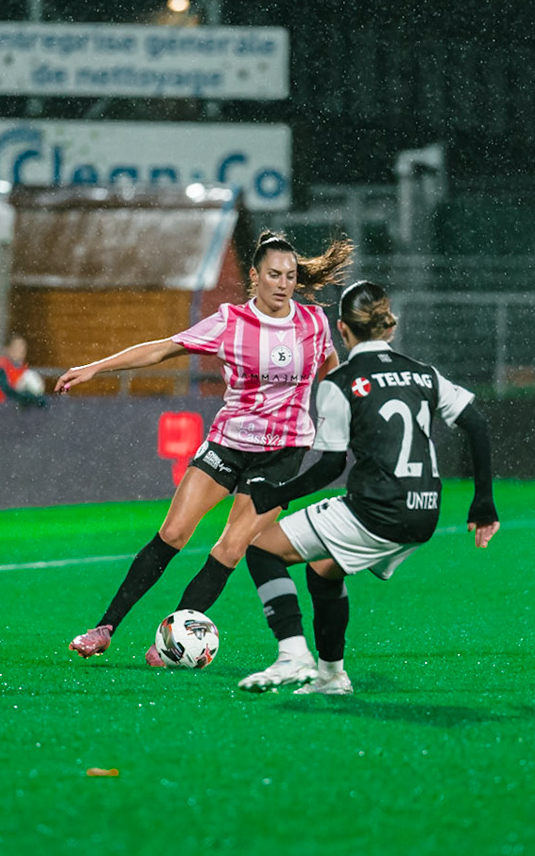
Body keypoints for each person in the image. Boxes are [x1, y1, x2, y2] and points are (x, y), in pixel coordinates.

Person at [59, 232, 354, 668]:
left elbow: (331, 367)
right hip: (229, 444)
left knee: (231, 547)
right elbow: (163, 348)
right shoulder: (231, 320)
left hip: (284, 452)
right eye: (274, 274)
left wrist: (337, 406)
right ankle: (104, 628)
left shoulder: (313, 323)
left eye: (290, 276)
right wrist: (95, 367)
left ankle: (168, 644)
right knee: (174, 533)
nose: (283, 283)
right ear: (254, 276)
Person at [223, 280, 500, 694]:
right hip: (424, 511)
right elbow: (476, 425)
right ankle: (332, 677)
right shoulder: (424, 374)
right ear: (388, 327)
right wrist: (483, 504)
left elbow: (331, 465)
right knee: (323, 570)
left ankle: (292, 654)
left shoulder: (340, 382)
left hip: (377, 508)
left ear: (343, 330)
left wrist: (276, 494)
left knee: (263, 549)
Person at [0, 334, 42, 406]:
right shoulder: (1, 365)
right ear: (8, 349)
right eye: (16, 349)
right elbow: (5, 388)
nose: (20, 352)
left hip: (12, 407)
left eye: (22, 350)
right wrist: (23, 397)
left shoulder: (23, 369)